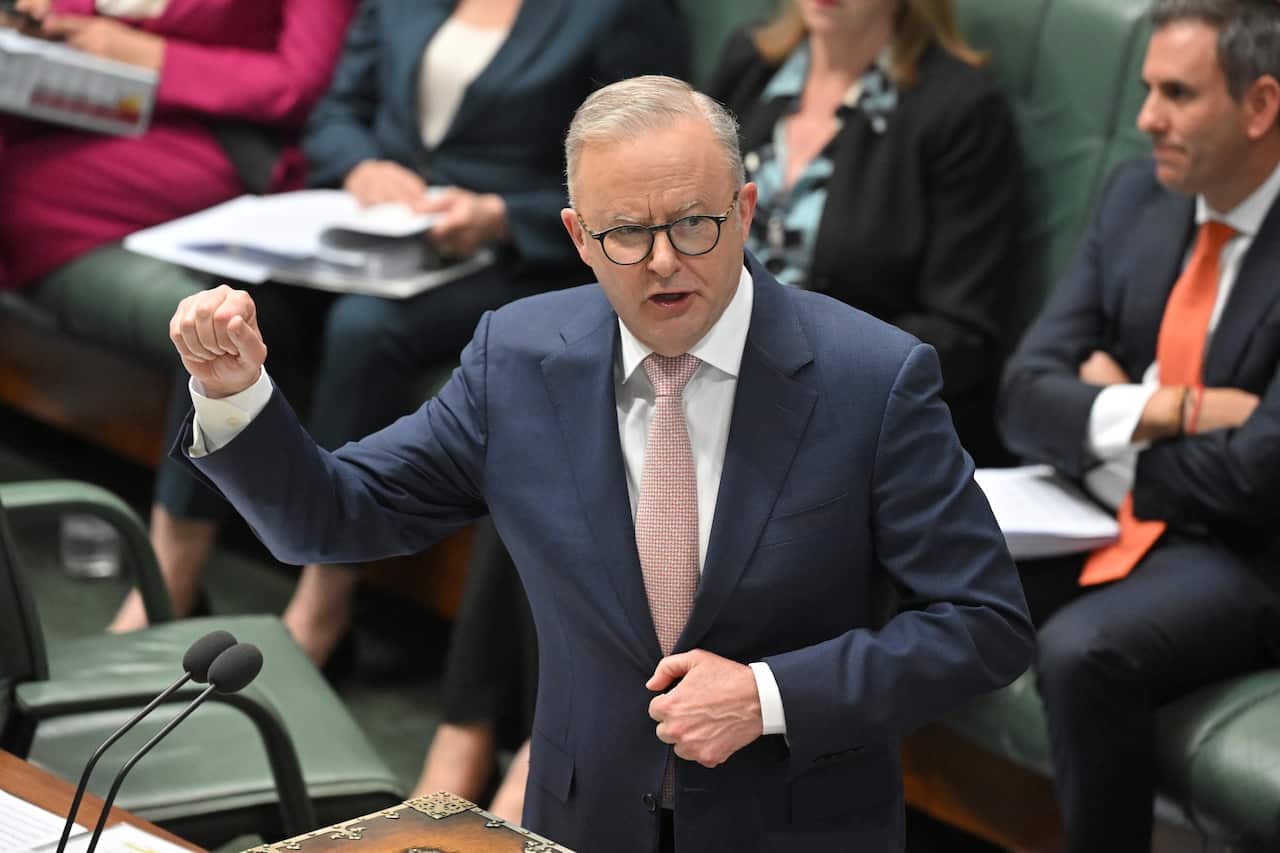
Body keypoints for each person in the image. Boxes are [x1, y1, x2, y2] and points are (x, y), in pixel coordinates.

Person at [167, 75, 1033, 852]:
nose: (663, 261)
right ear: (579, 237)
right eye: (626, 233)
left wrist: (770, 696)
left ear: (745, 210)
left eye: (693, 224)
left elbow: (984, 622)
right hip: (583, 821)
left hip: (799, 828)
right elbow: (331, 515)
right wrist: (236, 394)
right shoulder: (516, 360)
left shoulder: (872, 378)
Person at [107, 0, 689, 665]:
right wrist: (361, 166)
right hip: (376, 229)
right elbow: (335, 112)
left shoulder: (620, 13)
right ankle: (168, 578)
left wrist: (501, 214)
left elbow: (643, 165)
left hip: (514, 255)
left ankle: (323, 606)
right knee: (234, 308)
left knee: (367, 327)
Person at [996, 1, 1280, 849]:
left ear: (1261, 105)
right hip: (1108, 513)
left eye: (1177, 94)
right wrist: (1170, 410)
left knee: (1084, 651)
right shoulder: (1138, 195)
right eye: (1148, 88)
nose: (1146, 117)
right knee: (910, 564)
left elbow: (1260, 472)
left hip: (1246, 550)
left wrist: (1109, 422)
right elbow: (1023, 394)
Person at [704, 0, 1024, 466]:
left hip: (850, 413)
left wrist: (783, 363)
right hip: (708, 373)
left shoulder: (962, 109)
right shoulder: (751, 65)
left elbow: (963, 333)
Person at [0, 0, 355, 294]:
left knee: (18, 192)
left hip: (228, 139)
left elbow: (301, 84)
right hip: (89, 110)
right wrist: (48, 16)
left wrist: (155, 56)